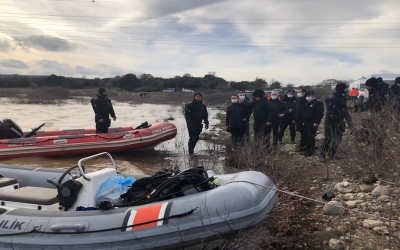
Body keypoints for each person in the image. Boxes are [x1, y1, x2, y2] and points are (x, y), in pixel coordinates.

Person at [319, 82, 352, 163]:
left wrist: (349, 121)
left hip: (339, 121)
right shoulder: (332, 98)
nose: (346, 90)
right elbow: (331, 112)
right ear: (341, 89)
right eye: (345, 88)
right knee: (328, 138)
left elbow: (344, 110)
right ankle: (322, 155)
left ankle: (332, 154)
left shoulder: (342, 97)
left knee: (338, 138)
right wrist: (336, 120)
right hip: (331, 121)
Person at [301, 90, 324, 157]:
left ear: (314, 95)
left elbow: (320, 113)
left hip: (312, 122)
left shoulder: (318, 103)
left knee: (310, 137)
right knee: (306, 136)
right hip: (306, 121)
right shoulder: (308, 102)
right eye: (307, 96)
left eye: (309, 95)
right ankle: (307, 149)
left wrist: (316, 122)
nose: (308, 97)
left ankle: (311, 151)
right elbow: (305, 113)